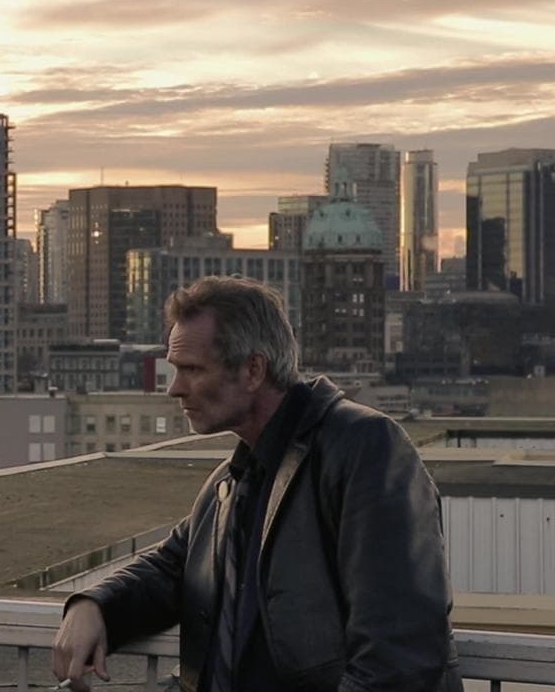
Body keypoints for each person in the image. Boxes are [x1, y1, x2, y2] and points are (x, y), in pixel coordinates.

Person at [52, 276, 461, 692]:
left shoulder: (363, 447)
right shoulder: (232, 481)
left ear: (253, 370)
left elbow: (398, 651)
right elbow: (172, 568)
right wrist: (93, 605)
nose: (175, 389)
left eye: (192, 369)